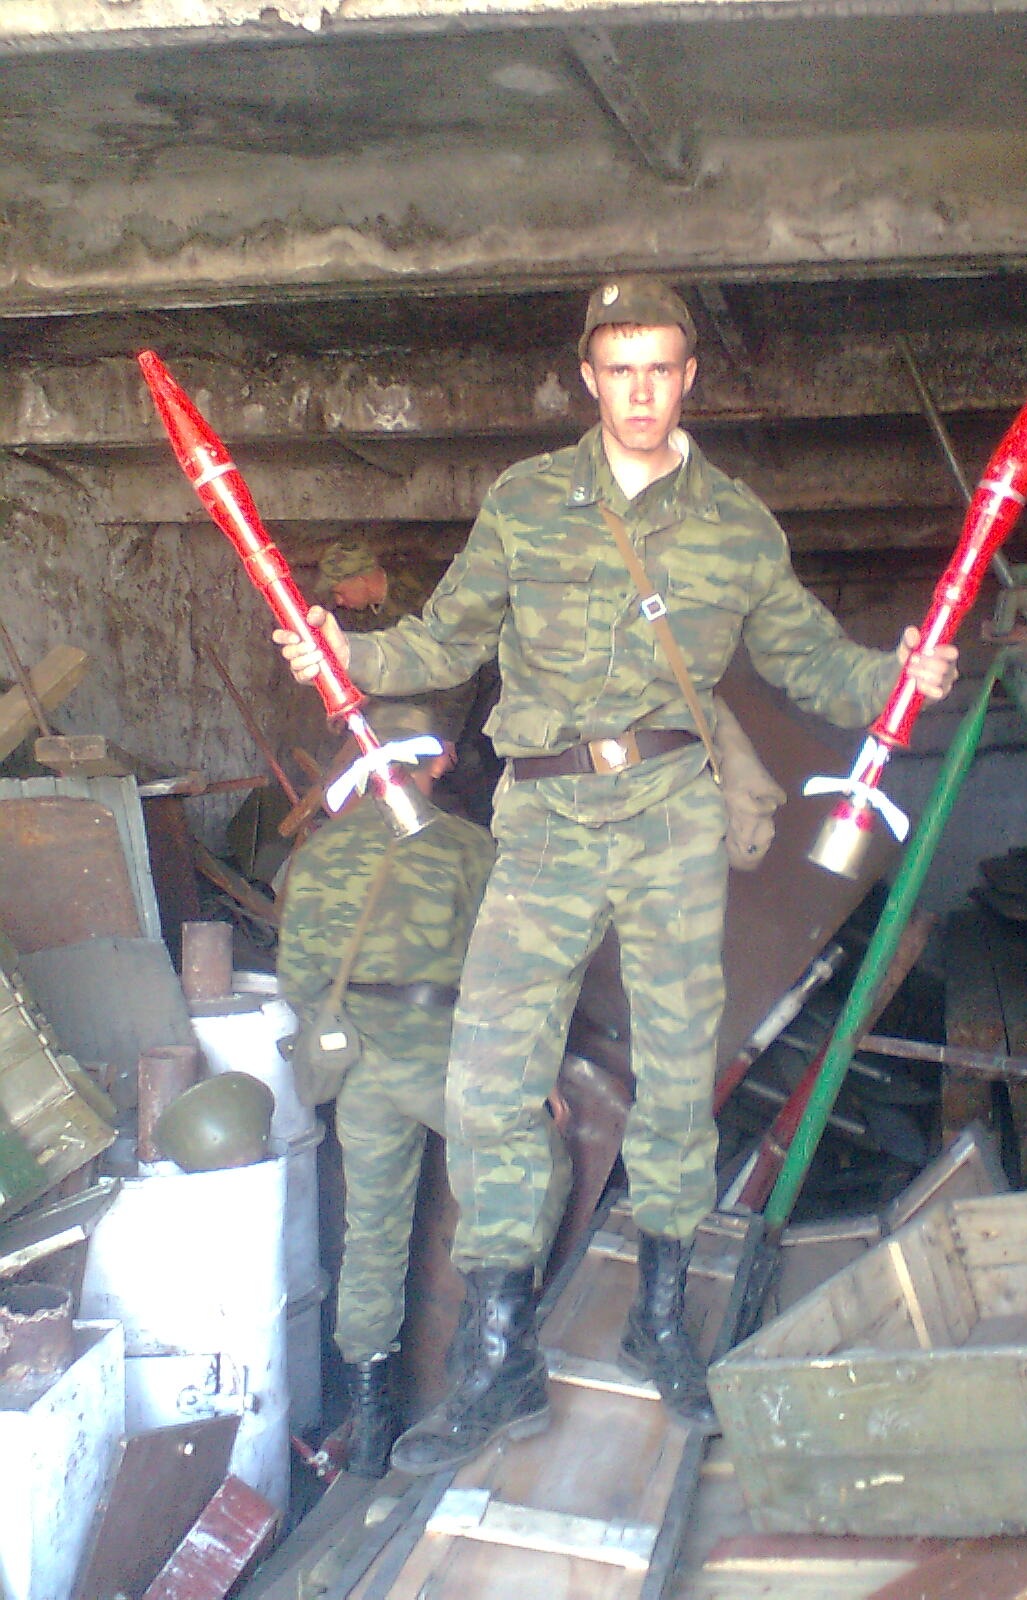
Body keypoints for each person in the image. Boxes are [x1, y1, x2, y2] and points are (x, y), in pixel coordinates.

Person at [275, 275, 959, 1473]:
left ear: (689, 376)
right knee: (490, 1078)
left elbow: (814, 664)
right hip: (543, 815)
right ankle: (500, 1356)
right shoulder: (526, 500)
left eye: (661, 369)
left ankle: (660, 1317)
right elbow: (445, 638)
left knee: (678, 1072)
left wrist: (898, 673)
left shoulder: (738, 524)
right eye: (619, 369)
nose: (641, 392)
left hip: (670, 813)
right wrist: (351, 649)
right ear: (589, 377)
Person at [275, 699, 568, 1475]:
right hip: (450, 1057)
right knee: (535, 1166)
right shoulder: (471, 849)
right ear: (437, 760)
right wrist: (536, 1069)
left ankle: (370, 1431)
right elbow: (511, 972)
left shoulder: (317, 856)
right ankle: (487, 1354)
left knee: (370, 1235)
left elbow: (298, 978)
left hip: (361, 1068)